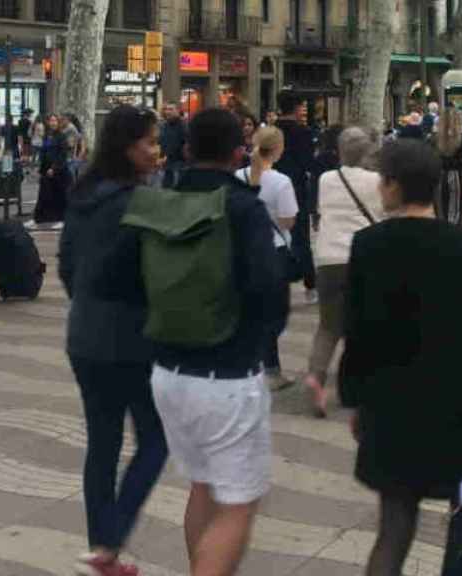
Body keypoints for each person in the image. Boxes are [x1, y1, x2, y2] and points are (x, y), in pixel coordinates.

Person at [339, 138, 462, 576]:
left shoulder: (368, 245)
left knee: (393, 530)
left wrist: (355, 400)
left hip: (390, 407)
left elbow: (357, 332)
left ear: (393, 185)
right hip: (458, 408)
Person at [148, 108, 280, 576]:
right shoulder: (243, 206)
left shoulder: (160, 198)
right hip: (226, 375)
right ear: (238, 152)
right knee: (238, 504)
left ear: (185, 149)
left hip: (167, 372)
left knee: (202, 487)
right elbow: (270, 291)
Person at [58, 105, 169, 576]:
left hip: (84, 335)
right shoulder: (136, 202)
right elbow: (155, 274)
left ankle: (101, 547)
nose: (156, 150)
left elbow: (66, 266)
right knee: (156, 441)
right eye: (149, 142)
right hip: (130, 340)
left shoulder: (84, 194)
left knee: (102, 445)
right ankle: (110, 540)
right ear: (128, 146)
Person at [303, 126, 381, 417]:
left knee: (328, 326)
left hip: (327, 258)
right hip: (362, 258)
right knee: (361, 327)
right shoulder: (376, 181)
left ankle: (315, 376)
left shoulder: (326, 179)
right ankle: (356, 388)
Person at [236, 126, 298, 392]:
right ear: (278, 150)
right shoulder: (281, 181)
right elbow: (288, 220)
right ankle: (271, 368)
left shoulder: (238, 176)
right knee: (273, 311)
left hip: (243, 248)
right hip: (274, 249)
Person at [273, 91, 318, 303]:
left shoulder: (271, 132)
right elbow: (308, 163)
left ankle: (277, 281)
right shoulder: (303, 132)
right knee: (301, 236)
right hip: (296, 188)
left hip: (272, 186)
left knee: (274, 234)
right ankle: (310, 285)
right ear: (297, 107)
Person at [433, 107, 462, 226]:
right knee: (457, 211)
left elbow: (426, 158)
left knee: (440, 211)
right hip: (456, 176)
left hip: (439, 177)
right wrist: (458, 164)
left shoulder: (433, 139)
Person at [32, 114, 73, 226]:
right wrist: (42, 169)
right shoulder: (46, 136)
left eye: (55, 120)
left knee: (60, 195)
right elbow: (43, 152)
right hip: (46, 170)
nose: (53, 123)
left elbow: (62, 154)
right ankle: (46, 217)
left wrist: (54, 168)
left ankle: (61, 216)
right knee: (46, 194)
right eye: (51, 120)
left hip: (59, 171)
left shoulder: (61, 136)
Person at [159, 102, 187, 186]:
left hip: (180, 165)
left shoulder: (184, 126)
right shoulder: (164, 126)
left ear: (178, 111)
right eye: (166, 109)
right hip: (166, 164)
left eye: (171, 109)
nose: (167, 112)